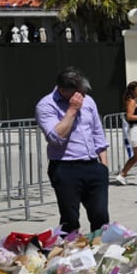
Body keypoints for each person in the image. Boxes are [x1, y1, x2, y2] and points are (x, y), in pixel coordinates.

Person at [35, 68, 109, 233]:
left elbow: (98, 132)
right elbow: (56, 138)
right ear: (62, 90)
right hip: (65, 167)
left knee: (101, 215)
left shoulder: (88, 101)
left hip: (93, 166)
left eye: (82, 91)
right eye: (77, 92)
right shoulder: (46, 105)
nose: (81, 96)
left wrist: (104, 165)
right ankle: (71, 253)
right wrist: (72, 110)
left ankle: (100, 249)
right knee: (70, 218)